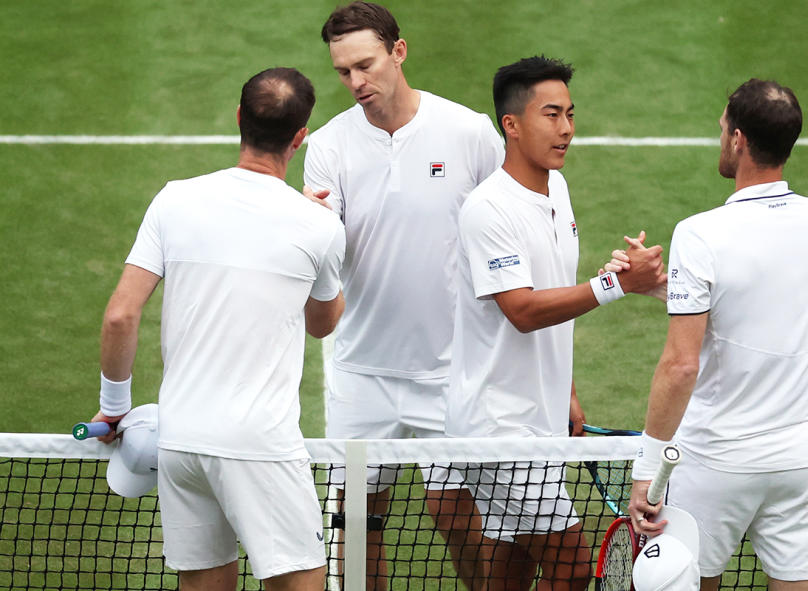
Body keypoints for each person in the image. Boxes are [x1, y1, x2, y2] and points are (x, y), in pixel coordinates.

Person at [91, 67, 345, 591]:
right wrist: (323, 238)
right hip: (258, 444)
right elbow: (323, 323)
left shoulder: (173, 199)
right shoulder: (318, 225)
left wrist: (114, 407)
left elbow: (121, 314)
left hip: (180, 440)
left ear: (238, 119)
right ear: (301, 137)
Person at [301, 3, 504, 590]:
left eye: (365, 65)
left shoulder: (468, 133)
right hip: (361, 372)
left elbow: (509, 232)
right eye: (343, 72)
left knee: (454, 513)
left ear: (399, 51)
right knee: (358, 520)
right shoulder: (329, 146)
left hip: (451, 373)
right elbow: (326, 252)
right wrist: (312, 226)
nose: (356, 82)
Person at [447, 55, 667, 591]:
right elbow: (521, 310)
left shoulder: (556, 189)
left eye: (570, 113)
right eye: (551, 114)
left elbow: (550, 297)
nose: (566, 128)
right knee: (570, 567)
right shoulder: (488, 209)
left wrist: (564, 389)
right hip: (499, 429)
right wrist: (616, 285)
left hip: (538, 420)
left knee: (515, 564)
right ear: (512, 125)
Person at [627, 79, 808, 591]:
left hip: (715, 465)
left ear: (738, 140)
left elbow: (681, 366)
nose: (719, 134)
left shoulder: (701, 234)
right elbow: (764, 300)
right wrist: (667, 288)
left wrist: (647, 468)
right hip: (804, 461)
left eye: (723, 126)